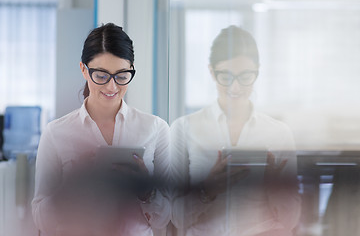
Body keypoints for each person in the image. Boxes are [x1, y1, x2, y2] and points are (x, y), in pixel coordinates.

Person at [32, 23, 171, 236]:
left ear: (131, 70)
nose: (111, 87)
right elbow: (41, 219)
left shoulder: (155, 129)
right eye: (101, 75)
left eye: (122, 75)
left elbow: (165, 219)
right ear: (84, 70)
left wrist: (147, 193)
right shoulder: (55, 133)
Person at [170, 26, 301, 236]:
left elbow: (291, 220)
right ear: (212, 72)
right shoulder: (184, 129)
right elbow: (174, 218)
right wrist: (207, 189)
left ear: (257, 72)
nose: (236, 87)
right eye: (226, 76)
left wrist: (275, 188)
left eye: (245, 76)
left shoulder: (279, 134)